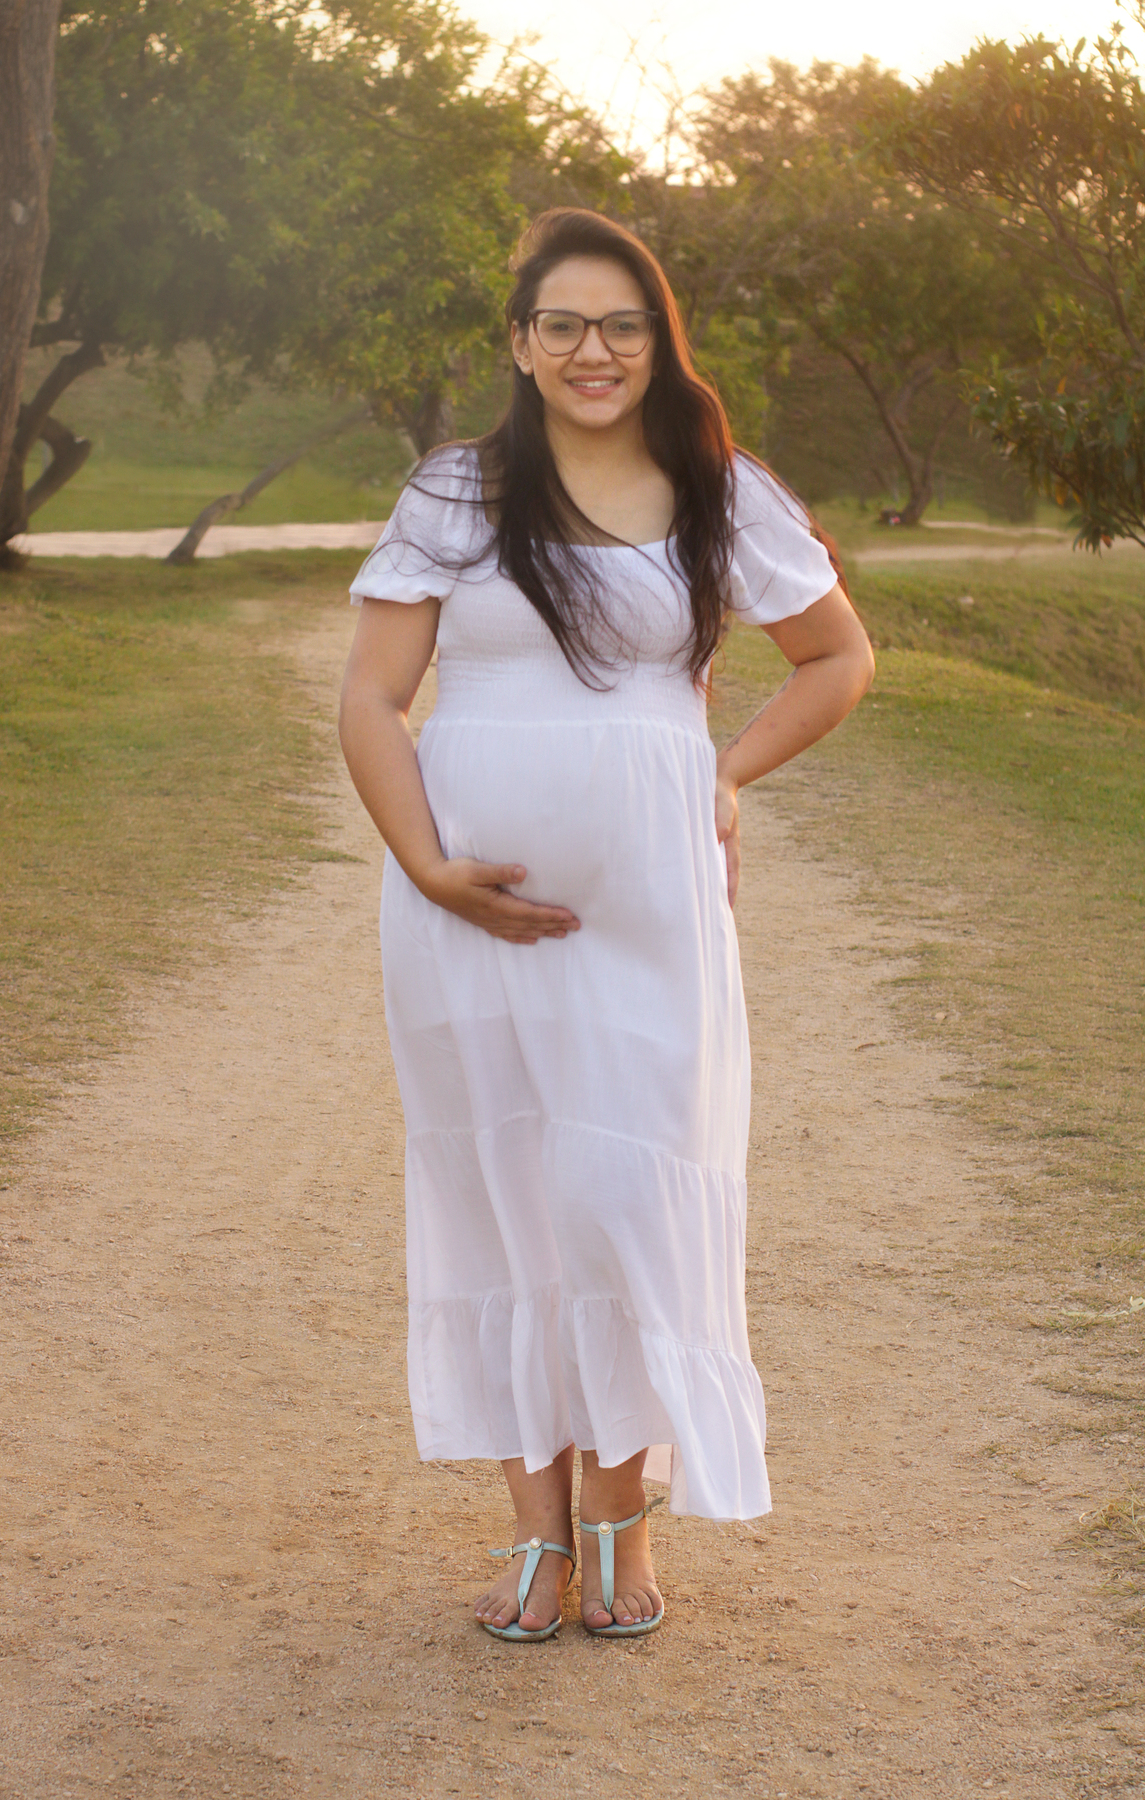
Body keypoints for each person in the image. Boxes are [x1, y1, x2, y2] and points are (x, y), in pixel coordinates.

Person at [339, 208, 874, 1643]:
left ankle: (621, 1519)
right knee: (508, 1197)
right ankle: (537, 1538)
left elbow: (836, 656)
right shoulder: (457, 491)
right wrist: (430, 867)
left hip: (650, 914)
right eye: (565, 324)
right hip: (465, 916)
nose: (595, 349)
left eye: (623, 324)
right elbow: (371, 698)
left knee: (623, 1197)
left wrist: (723, 773)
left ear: (658, 342)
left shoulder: (717, 490)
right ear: (521, 344)